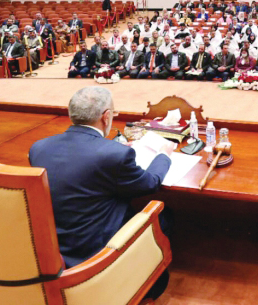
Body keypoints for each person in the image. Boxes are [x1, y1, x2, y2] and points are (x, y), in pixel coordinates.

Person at [29, 87, 173, 299]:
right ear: (106, 117)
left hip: (54, 251)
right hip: (95, 255)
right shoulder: (115, 155)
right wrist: (164, 155)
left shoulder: (39, 148)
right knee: (165, 215)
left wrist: (114, 149)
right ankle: (148, 279)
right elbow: (149, 184)